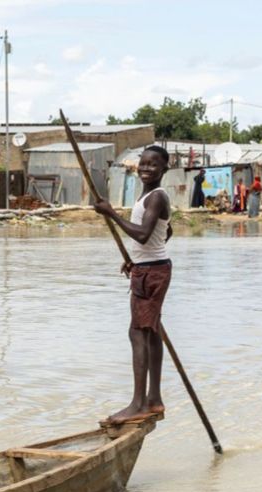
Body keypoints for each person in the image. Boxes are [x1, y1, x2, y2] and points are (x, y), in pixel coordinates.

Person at [94, 146, 173, 424]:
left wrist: (111, 213)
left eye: (154, 165)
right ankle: (153, 399)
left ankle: (139, 404)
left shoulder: (157, 197)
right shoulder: (150, 196)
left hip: (152, 273)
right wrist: (137, 262)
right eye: (143, 164)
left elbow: (142, 234)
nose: (146, 168)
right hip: (149, 269)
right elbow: (165, 233)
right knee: (149, 333)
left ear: (165, 169)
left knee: (138, 333)